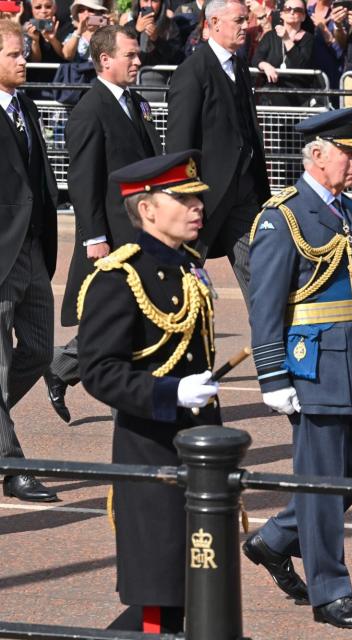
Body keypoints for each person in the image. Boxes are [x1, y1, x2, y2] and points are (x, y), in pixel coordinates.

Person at [242, 108, 352, 631]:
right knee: (323, 479)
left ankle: (274, 540)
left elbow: (349, 290)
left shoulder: (347, 211)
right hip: (313, 366)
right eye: (348, 153)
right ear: (317, 155)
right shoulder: (282, 216)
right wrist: (271, 377)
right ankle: (331, 593)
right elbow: (265, 303)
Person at [78, 151, 220, 633]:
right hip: (151, 449)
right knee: (160, 597)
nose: (197, 206)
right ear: (146, 209)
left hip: (200, 451)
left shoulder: (188, 266)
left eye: (197, 197)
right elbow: (99, 371)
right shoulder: (120, 277)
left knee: (200, 588)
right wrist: (172, 393)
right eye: (182, 198)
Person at [44, 25, 161, 424]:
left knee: (125, 317)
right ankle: (129, 412)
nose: (138, 61)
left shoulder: (135, 101)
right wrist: (94, 237)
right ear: (105, 59)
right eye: (130, 54)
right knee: (121, 319)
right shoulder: (91, 110)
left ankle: (61, 369)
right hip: (112, 237)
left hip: (142, 232)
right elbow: (83, 181)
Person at [166, 0, 271, 303]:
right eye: (239, 20)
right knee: (182, 283)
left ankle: (272, 347)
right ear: (214, 23)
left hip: (243, 195)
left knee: (263, 277)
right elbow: (179, 143)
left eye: (246, 19)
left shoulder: (239, 64)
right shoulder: (192, 72)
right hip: (205, 199)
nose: (246, 26)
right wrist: (185, 197)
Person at [0, 19, 59, 503]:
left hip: (32, 248)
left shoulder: (26, 105)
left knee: (39, 350)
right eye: (15, 54)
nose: (24, 61)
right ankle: (12, 464)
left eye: (23, 53)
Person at [252, 0, 316, 106]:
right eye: (288, 9)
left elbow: (301, 64)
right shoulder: (270, 36)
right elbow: (256, 58)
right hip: (272, 98)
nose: (292, 12)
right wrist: (265, 66)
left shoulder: (309, 39)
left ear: (303, 17)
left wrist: (286, 39)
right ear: (281, 14)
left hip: (298, 99)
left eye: (298, 10)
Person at [125, 0, 185, 65]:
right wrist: (136, 31)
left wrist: (157, 39)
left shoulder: (170, 27)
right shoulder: (130, 26)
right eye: (145, 0)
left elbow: (177, 57)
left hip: (160, 72)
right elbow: (122, 52)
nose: (149, 5)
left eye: (155, 1)